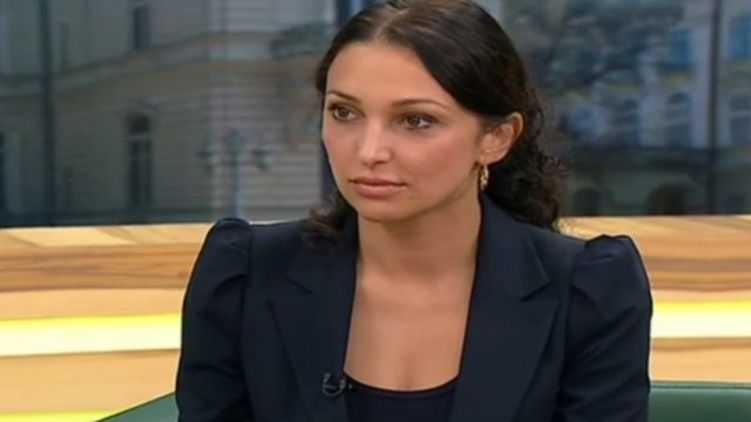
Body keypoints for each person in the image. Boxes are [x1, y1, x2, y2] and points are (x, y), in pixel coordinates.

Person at [175, 0, 653, 421]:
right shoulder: (244, 275)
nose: (369, 151)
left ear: (495, 138)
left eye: (416, 120)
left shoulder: (590, 290)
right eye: (344, 112)